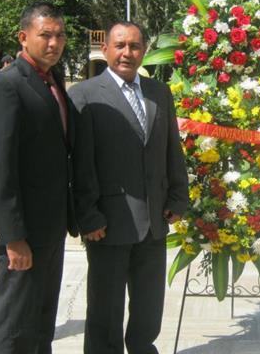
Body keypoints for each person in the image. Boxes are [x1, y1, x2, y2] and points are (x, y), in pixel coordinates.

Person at [69, 21, 189, 354]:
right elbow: (80, 164)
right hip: (108, 224)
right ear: (105, 49)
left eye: (134, 46)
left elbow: (170, 149)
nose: (127, 53)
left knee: (149, 307)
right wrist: (88, 216)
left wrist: (179, 198)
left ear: (144, 51)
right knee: (105, 310)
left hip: (153, 221)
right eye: (120, 45)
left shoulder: (158, 92)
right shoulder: (84, 94)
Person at [0, 1, 76, 353]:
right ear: (23, 37)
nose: (54, 43)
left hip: (50, 228)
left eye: (60, 35)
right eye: (45, 35)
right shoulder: (4, 87)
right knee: (16, 328)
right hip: (21, 234)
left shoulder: (52, 80)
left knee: (41, 324)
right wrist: (13, 238)